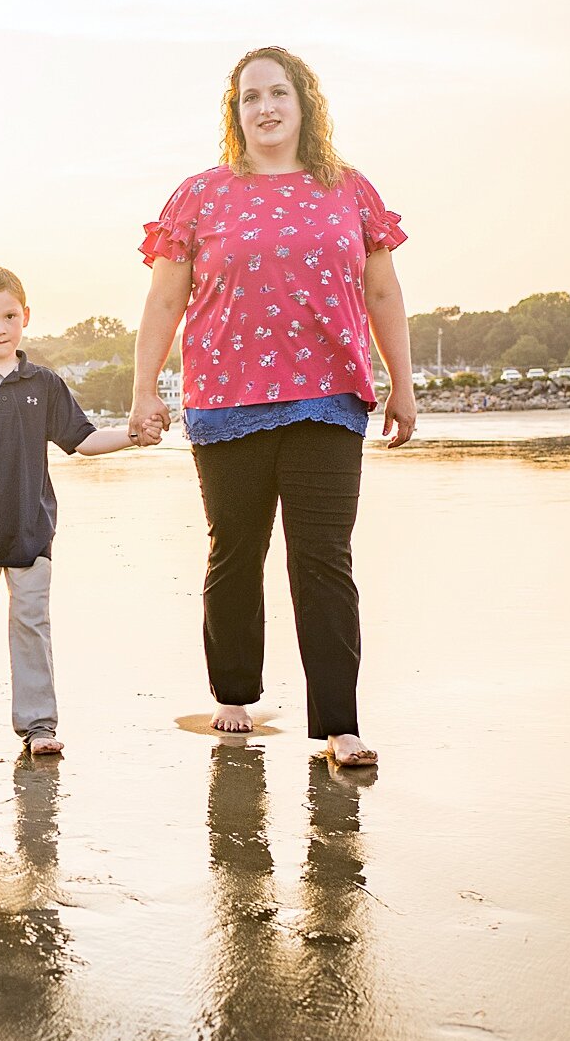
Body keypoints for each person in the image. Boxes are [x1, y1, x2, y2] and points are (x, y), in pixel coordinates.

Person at [129, 46, 415, 768]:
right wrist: (144, 390)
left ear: (304, 103)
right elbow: (165, 300)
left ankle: (340, 728)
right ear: (237, 112)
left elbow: (382, 293)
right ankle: (233, 695)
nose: (265, 108)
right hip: (226, 401)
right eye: (250, 97)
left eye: (278, 93)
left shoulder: (348, 190)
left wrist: (402, 384)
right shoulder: (201, 194)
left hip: (329, 396)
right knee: (236, 552)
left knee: (323, 560)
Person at [0, 267, 143, 756]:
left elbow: (81, 440)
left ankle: (39, 724)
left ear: (26, 316)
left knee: (31, 622)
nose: (0, 327)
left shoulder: (45, 382)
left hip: (31, 527)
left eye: (10, 316)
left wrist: (131, 435)